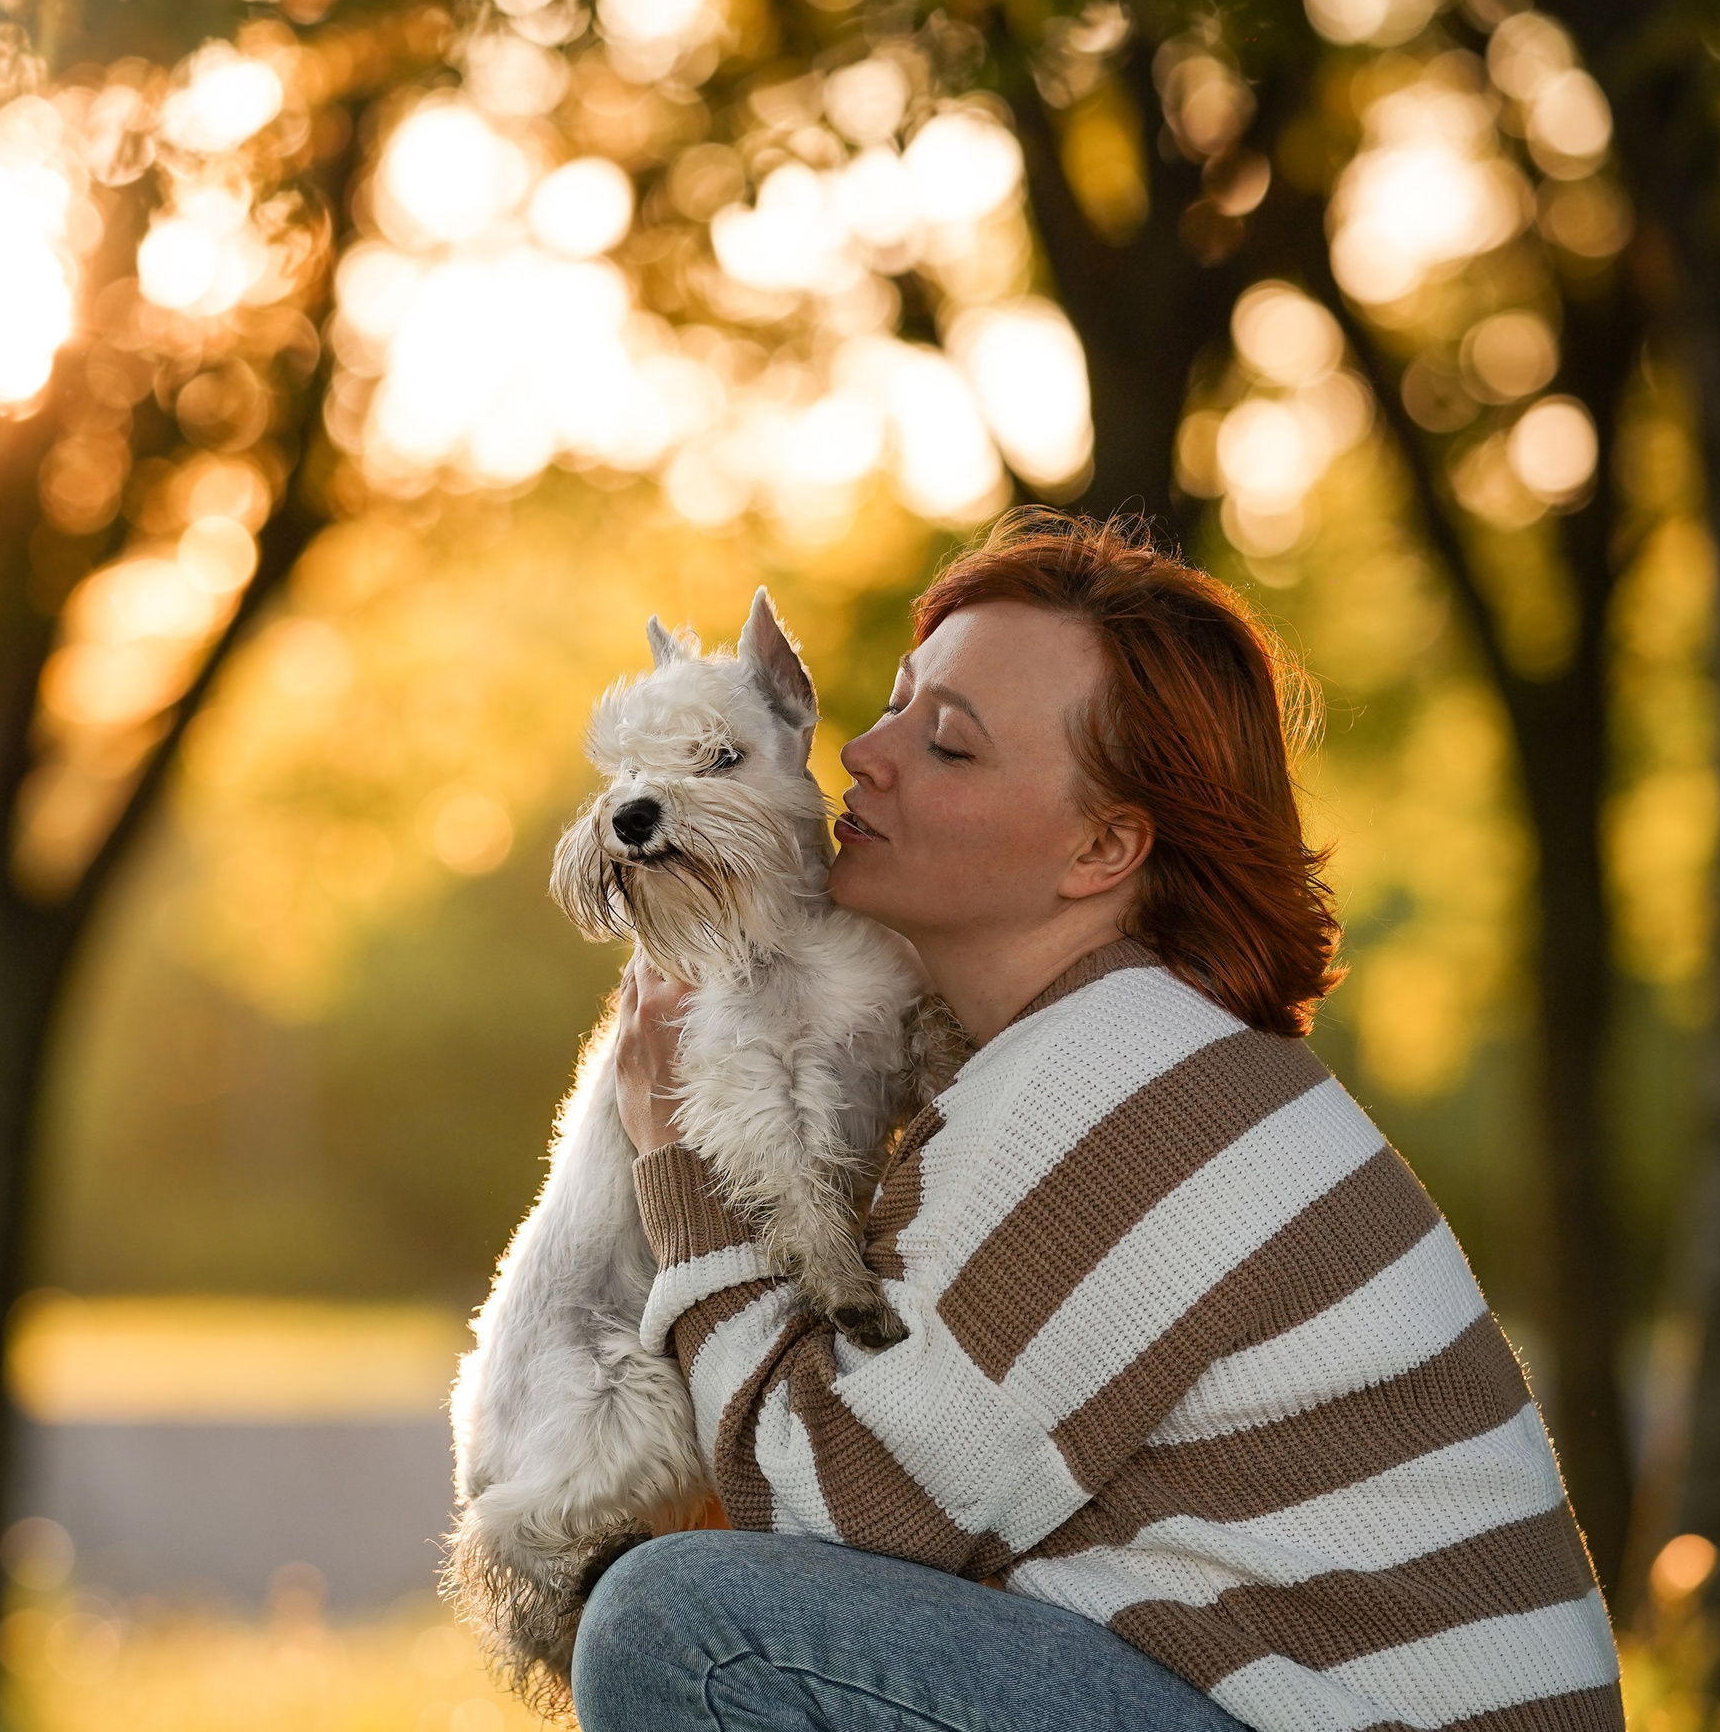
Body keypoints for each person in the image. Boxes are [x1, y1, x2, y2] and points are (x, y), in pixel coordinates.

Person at [581, 511, 1623, 1732]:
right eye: (897, 702)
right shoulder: (1119, 1053)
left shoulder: (1115, 1085)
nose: (864, 753)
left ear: (1103, 846)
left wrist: (680, 1163)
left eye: (949, 746)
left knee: (684, 1628)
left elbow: (836, 1507)